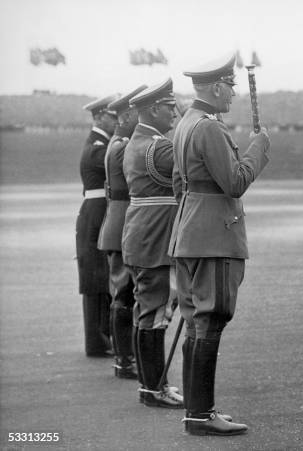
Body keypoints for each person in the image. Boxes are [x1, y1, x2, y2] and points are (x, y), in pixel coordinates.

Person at [169, 52, 270, 435]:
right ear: (215, 86)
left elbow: (181, 185)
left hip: (190, 234)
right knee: (210, 321)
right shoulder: (209, 128)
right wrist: (259, 148)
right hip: (213, 237)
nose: (233, 92)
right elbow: (235, 182)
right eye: (230, 85)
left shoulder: (186, 122)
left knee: (197, 323)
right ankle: (201, 415)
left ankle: (198, 411)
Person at [122, 78, 183, 408]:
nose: (175, 113)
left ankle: (151, 386)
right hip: (154, 240)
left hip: (141, 237)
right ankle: (153, 389)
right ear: (155, 109)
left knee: (145, 313)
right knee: (155, 314)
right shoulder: (159, 147)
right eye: (171, 108)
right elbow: (193, 159)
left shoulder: (138, 141)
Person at [98, 85, 147, 379]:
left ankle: (125, 357)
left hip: (117, 223)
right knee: (124, 295)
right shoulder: (122, 147)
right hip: (121, 225)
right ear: (126, 115)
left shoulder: (117, 143)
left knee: (124, 294)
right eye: (136, 114)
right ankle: (125, 360)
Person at [77, 95, 118, 357]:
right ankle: (97, 341)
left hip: (96, 214)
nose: (116, 121)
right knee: (95, 280)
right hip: (96, 215)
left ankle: (101, 338)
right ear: (101, 116)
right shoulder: (97, 147)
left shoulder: (98, 143)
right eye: (113, 116)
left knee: (101, 278)